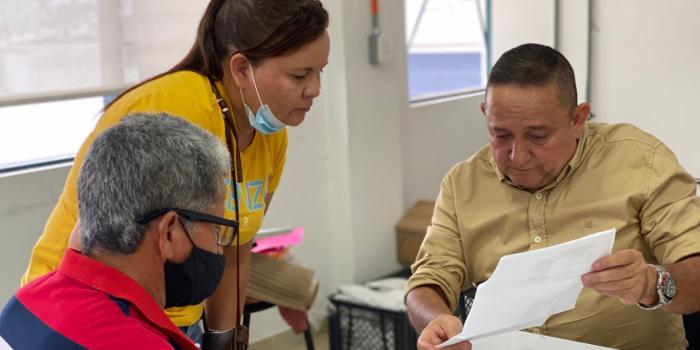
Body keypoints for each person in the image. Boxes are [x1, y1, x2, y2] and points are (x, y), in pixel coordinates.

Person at [21, 0, 330, 347]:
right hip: (86, 309)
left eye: (321, 71)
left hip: (170, 317)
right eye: (299, 75)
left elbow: (233, 251)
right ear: (242, 68)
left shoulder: (270, 133)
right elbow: (120, 253)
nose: (315, 89)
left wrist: (222, 339)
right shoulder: (174, 112)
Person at [404, 43, 700, 350]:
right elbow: (428, 279)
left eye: (538, 136)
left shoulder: (641, 162)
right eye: (500, 134)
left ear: (577, 119)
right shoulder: (462, 184)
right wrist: (436, 318)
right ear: (485, 115)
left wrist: (652, 284)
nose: (517, 156)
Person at [0, 114, 233, 349]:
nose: (218, 247)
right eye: (216, 229)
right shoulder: (140, 344)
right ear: (169, 232)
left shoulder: (22, 304)